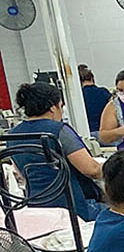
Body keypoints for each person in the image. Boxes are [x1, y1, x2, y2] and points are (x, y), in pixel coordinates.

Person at [8, 81, 104, 222]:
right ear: (53, 107)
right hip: (73, 209)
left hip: (37, 211)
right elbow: (91, 170)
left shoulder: (12, 136)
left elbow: (22, 175)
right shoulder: (58, 131)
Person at [77, 66, 112, 134]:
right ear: (92, 78)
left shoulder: (79, 96)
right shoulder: (104, 92)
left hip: (87, 132)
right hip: (105, 132)